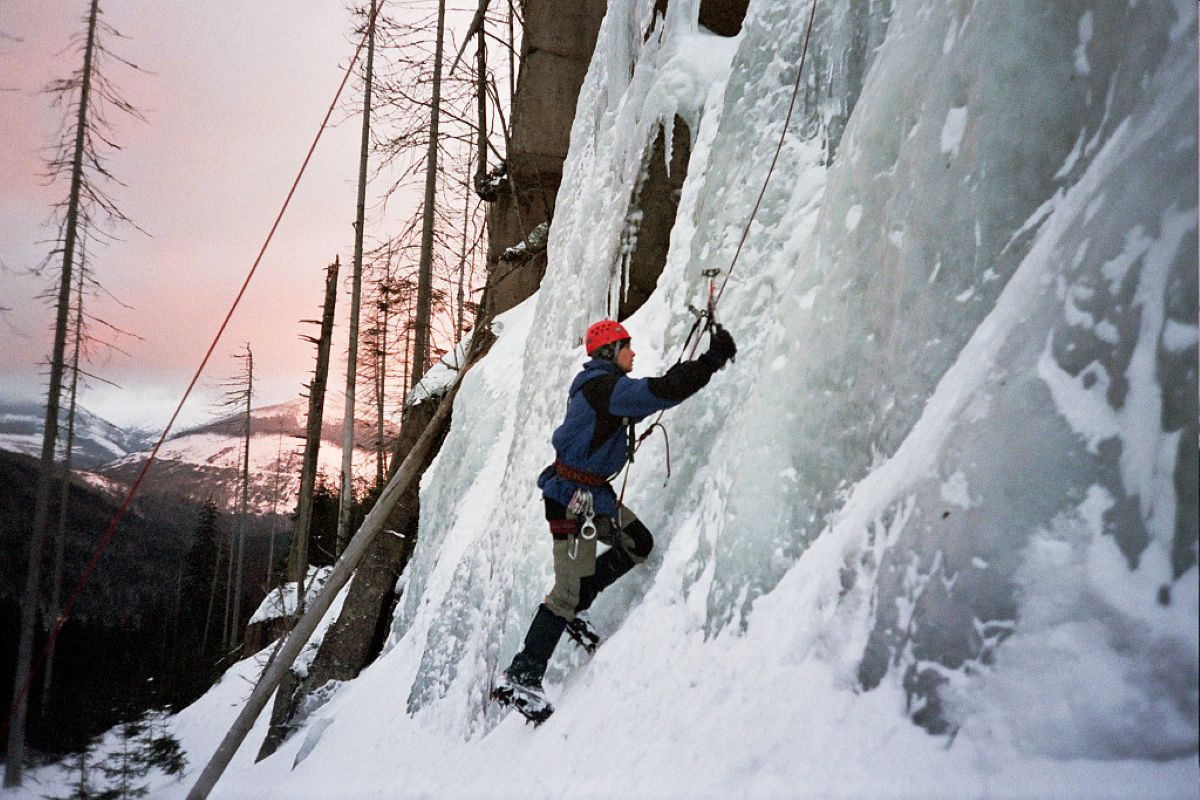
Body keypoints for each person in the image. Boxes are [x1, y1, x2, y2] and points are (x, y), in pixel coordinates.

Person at [493, 318, 737, 720]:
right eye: (628, 346)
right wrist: (711, 360)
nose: (633, 353)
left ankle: (577, 608)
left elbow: (658, 390)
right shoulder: (604, 388)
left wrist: (693, 368)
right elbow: (662, 391)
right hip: (571, 500)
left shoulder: (607, 389)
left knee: (637, 543)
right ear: (610, 351)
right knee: (564, 593)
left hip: (593, 497)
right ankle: (521, 674)